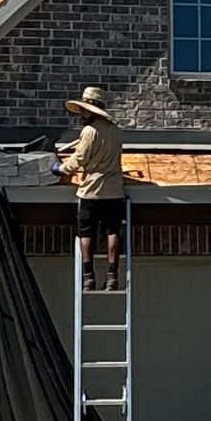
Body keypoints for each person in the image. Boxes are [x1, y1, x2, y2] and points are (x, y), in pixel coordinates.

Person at [60, 85, 129, 290]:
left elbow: (80, 158)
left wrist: (62, 168)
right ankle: (112, 275)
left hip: (91, 190)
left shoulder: (89, 132)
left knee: (86, 233)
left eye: (83, 111)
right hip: (114, 191)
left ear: (90, 110)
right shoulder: (115, 131)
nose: (81, 115)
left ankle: (88, 276)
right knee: (112, 231)